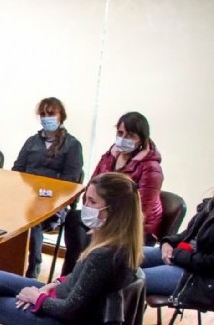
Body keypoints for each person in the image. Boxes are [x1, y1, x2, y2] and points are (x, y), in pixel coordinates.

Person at [0, 172, 143, 325]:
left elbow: (70, 311)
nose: (86, 206)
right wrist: (53, 284)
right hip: (59, 296)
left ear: (112, 210)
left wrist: (36, 298)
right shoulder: (118, 242)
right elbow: (83, 281)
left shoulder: (104, 255)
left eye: (92, 202)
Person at [61, 111, 163, 275]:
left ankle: (84, 279)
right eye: (120, 133)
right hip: (104, 213)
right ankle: (69, 277)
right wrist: (92, 211)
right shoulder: (110, 156)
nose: (123, 139)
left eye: (130, 135)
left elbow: (140, 210)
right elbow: (92, 186)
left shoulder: (151, 169)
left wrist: (106, 227)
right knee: (74, 219)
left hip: (132, 227)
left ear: (141, 138)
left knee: (91, 240)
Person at [12, 98, 84, 278]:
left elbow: (71, 181)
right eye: (43, 114)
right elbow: (17, 169)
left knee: (32, 220)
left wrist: (45, 190)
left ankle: (33, 267)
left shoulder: (72, 145)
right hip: (26, 199)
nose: (46, 118)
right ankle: (8, 265)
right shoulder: (31, 141)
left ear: (61, 116)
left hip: (53, 206)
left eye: (51, 114)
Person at [142, 194, 214, 295]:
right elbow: (189, 233)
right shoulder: (210, 204)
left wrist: (177, 254)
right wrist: (168, 242)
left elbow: (210, 263)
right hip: (183, 257)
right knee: (119, 256)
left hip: (199, 277)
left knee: (131, 280)